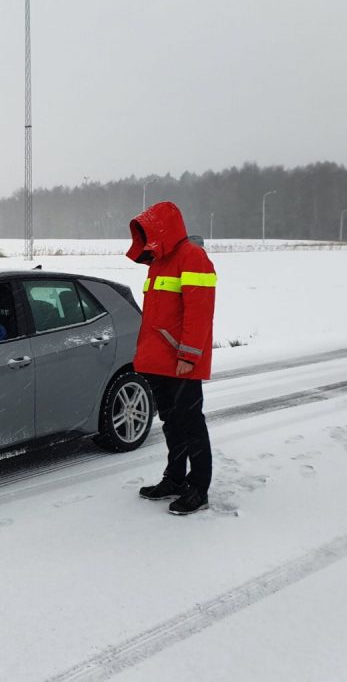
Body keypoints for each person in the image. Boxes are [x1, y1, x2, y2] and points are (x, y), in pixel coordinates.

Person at [127, 201, 217, 515]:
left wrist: (189, 355)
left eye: (148, 230)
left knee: (191, 423)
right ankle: (175, 478)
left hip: (181, 360)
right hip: (159, 359)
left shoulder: (193, 257)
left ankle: (198, 488)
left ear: (164, 227)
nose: (145, 237)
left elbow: (200, 311)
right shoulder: (158, 263)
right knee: (171, 422)